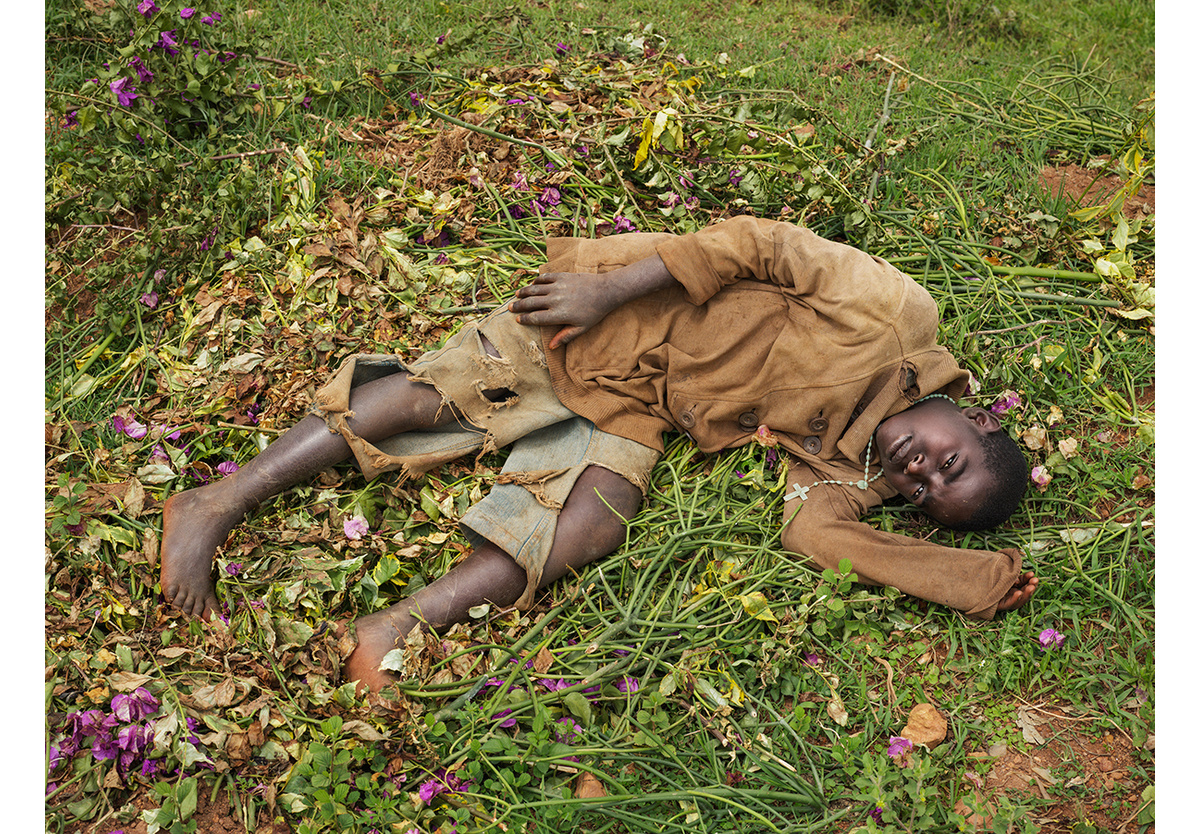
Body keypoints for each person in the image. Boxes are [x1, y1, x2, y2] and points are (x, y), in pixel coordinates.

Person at [158, 216, 1038, 695]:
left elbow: (817, 533)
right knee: (451, 392)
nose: (918, 476)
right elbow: (763, 244)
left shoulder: (855, 463)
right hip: (627, 316)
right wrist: (609, 284)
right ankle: (216, 503)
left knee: (588, 528)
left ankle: (392, 629)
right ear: (973, 419)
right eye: (946, 464)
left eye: (925, 496)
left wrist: (967, 578)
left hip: (647, 404)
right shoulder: (899, 318)